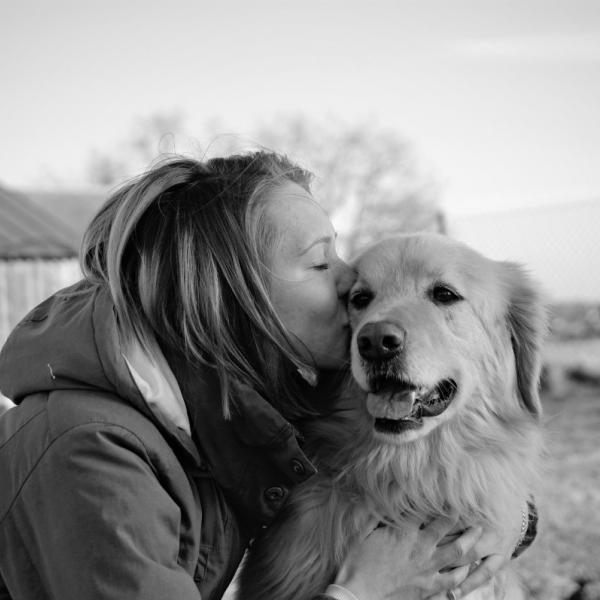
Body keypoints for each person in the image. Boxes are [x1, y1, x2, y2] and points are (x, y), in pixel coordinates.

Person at [0, 151, 534, 600]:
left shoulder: (245, 401)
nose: (352, 283)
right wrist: (361, 591)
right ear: (232, 295)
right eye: (322, 263)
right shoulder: (88, 451)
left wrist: (507, 524)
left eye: (443, 296)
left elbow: (438, 472)